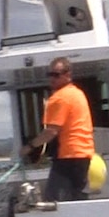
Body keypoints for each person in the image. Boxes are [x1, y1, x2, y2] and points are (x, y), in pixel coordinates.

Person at [20, 57, 95, 201]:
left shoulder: (60, 98)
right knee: (76, 197)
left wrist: (29, 147)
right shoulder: (77, 93)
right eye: (50, 74)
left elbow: (51, 131)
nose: (52, 79)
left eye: (56, 75)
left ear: (68, 75)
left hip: (69, 155)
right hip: (83, 154)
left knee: (54, 201)